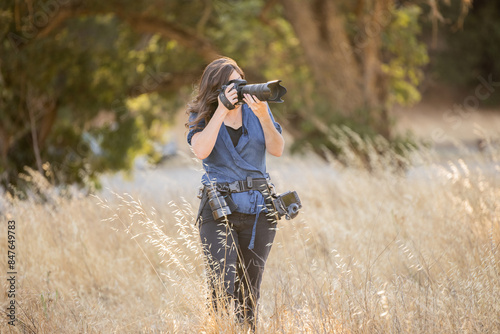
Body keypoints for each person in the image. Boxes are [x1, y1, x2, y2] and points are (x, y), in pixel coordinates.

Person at [185, 57, 285, 330]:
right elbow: (201, 150)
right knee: (221, 287)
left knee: (249, 292)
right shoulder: (203, 115)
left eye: (240, 81)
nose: (238, 89)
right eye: (230, 84)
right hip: (218, 209)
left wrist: (264, 116)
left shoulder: (256, 111)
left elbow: (277, 149)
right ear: (216, 88)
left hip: (259, 209)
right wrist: (220, 110)